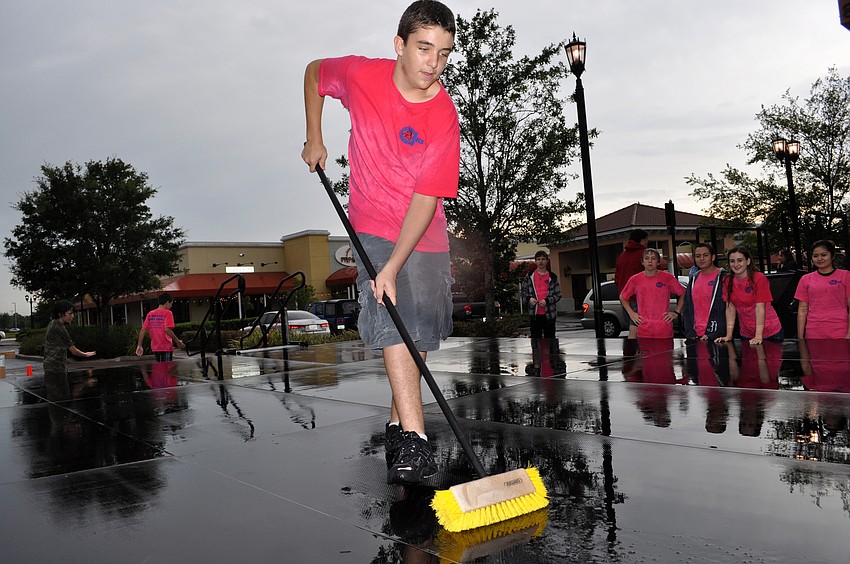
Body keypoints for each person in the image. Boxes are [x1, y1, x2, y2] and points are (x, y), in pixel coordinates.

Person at [301, 0, 459, 484]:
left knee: (420, 337)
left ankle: (396, 423)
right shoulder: (361, 76)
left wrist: (395, 266)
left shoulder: (443, 115)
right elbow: (313, 74)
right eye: (424, 48)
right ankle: (415, 438)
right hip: (372, 220)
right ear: (400, 45)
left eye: (445, 53)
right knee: (397, 320)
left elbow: (427, 199)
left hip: (424, 229)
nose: (433, 62)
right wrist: (314, 136)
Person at [715, 246, 783, 345]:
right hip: (746, 333)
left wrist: (758, 336)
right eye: (732, 261)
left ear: (748, 261)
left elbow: (760, 308)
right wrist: (728, 335)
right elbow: (730, 308)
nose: (736, 264)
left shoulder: (759, 278)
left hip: (770, 333)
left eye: (740, 260)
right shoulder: (727, 280)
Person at [619, 248, 685, 339]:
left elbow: (683, 293)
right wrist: (632, 314)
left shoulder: (667, 278)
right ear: (642, 262)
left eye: (653, 258)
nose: (650, 261)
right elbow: (623, 297)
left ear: (658, 262)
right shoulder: (635, 279)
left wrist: (676, 312)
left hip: (664, 330)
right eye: (646, 258)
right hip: (643, 329)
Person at [794, 239, 850, 339]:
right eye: (815, 256)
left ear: (832, 256)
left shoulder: (845, 276)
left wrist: (849, 334)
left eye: (824, 255)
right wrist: (800, 337)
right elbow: (802, 309)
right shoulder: (805, 279)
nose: (819, 259)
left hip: (841, 331)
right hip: (814, 333)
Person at [43, 300, 96, 401]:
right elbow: (74, 350)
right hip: (56, 366)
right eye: (70, 313)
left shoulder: (52, 323)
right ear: (60, 314)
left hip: (50, 365)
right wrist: (86, 355)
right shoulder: (60, 328)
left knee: (55, 398)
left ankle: (58, 415)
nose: (72, 316)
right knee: (61, 398)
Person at [681, 242, 726, 340]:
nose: (701, 259)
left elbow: (730, 308)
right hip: (696, 336)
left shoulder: (723, 277)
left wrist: (717, 333)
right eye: (698, 256)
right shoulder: (694, 279)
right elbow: (687, 308)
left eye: (705, 255)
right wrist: (690, 332)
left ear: (713, 257)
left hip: (717, 337)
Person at [520, 250, 562, 338]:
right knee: (535, 341)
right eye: (538, 259)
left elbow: (558, 294)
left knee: (550, 341)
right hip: (534, 314)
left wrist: (547, 301)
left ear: (547, 261)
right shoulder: (529, 276)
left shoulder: (552, 277)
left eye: (543, 259)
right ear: (535, 261)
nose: (541, 261)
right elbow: (523, 291)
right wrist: (529, 298)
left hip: (549, 314)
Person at [135, 292, 184, 361]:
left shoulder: (150, 314)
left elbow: (143, 330)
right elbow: (167, 329)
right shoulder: (168, 313)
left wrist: (139, 345)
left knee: (159, 369)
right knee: (167, 370)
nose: (171, 306)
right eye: (171, 303)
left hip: (155, 347)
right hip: (166, 347)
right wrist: (177, 341)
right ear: (167, 302)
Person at [614, 229, 649, 294]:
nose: (647, 242)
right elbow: (657, 274)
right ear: (642, 240)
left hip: (625, 295)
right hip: (642, 295)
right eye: (647, 239)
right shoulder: (646, 254)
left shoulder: (622, 256)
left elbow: (617, 279)